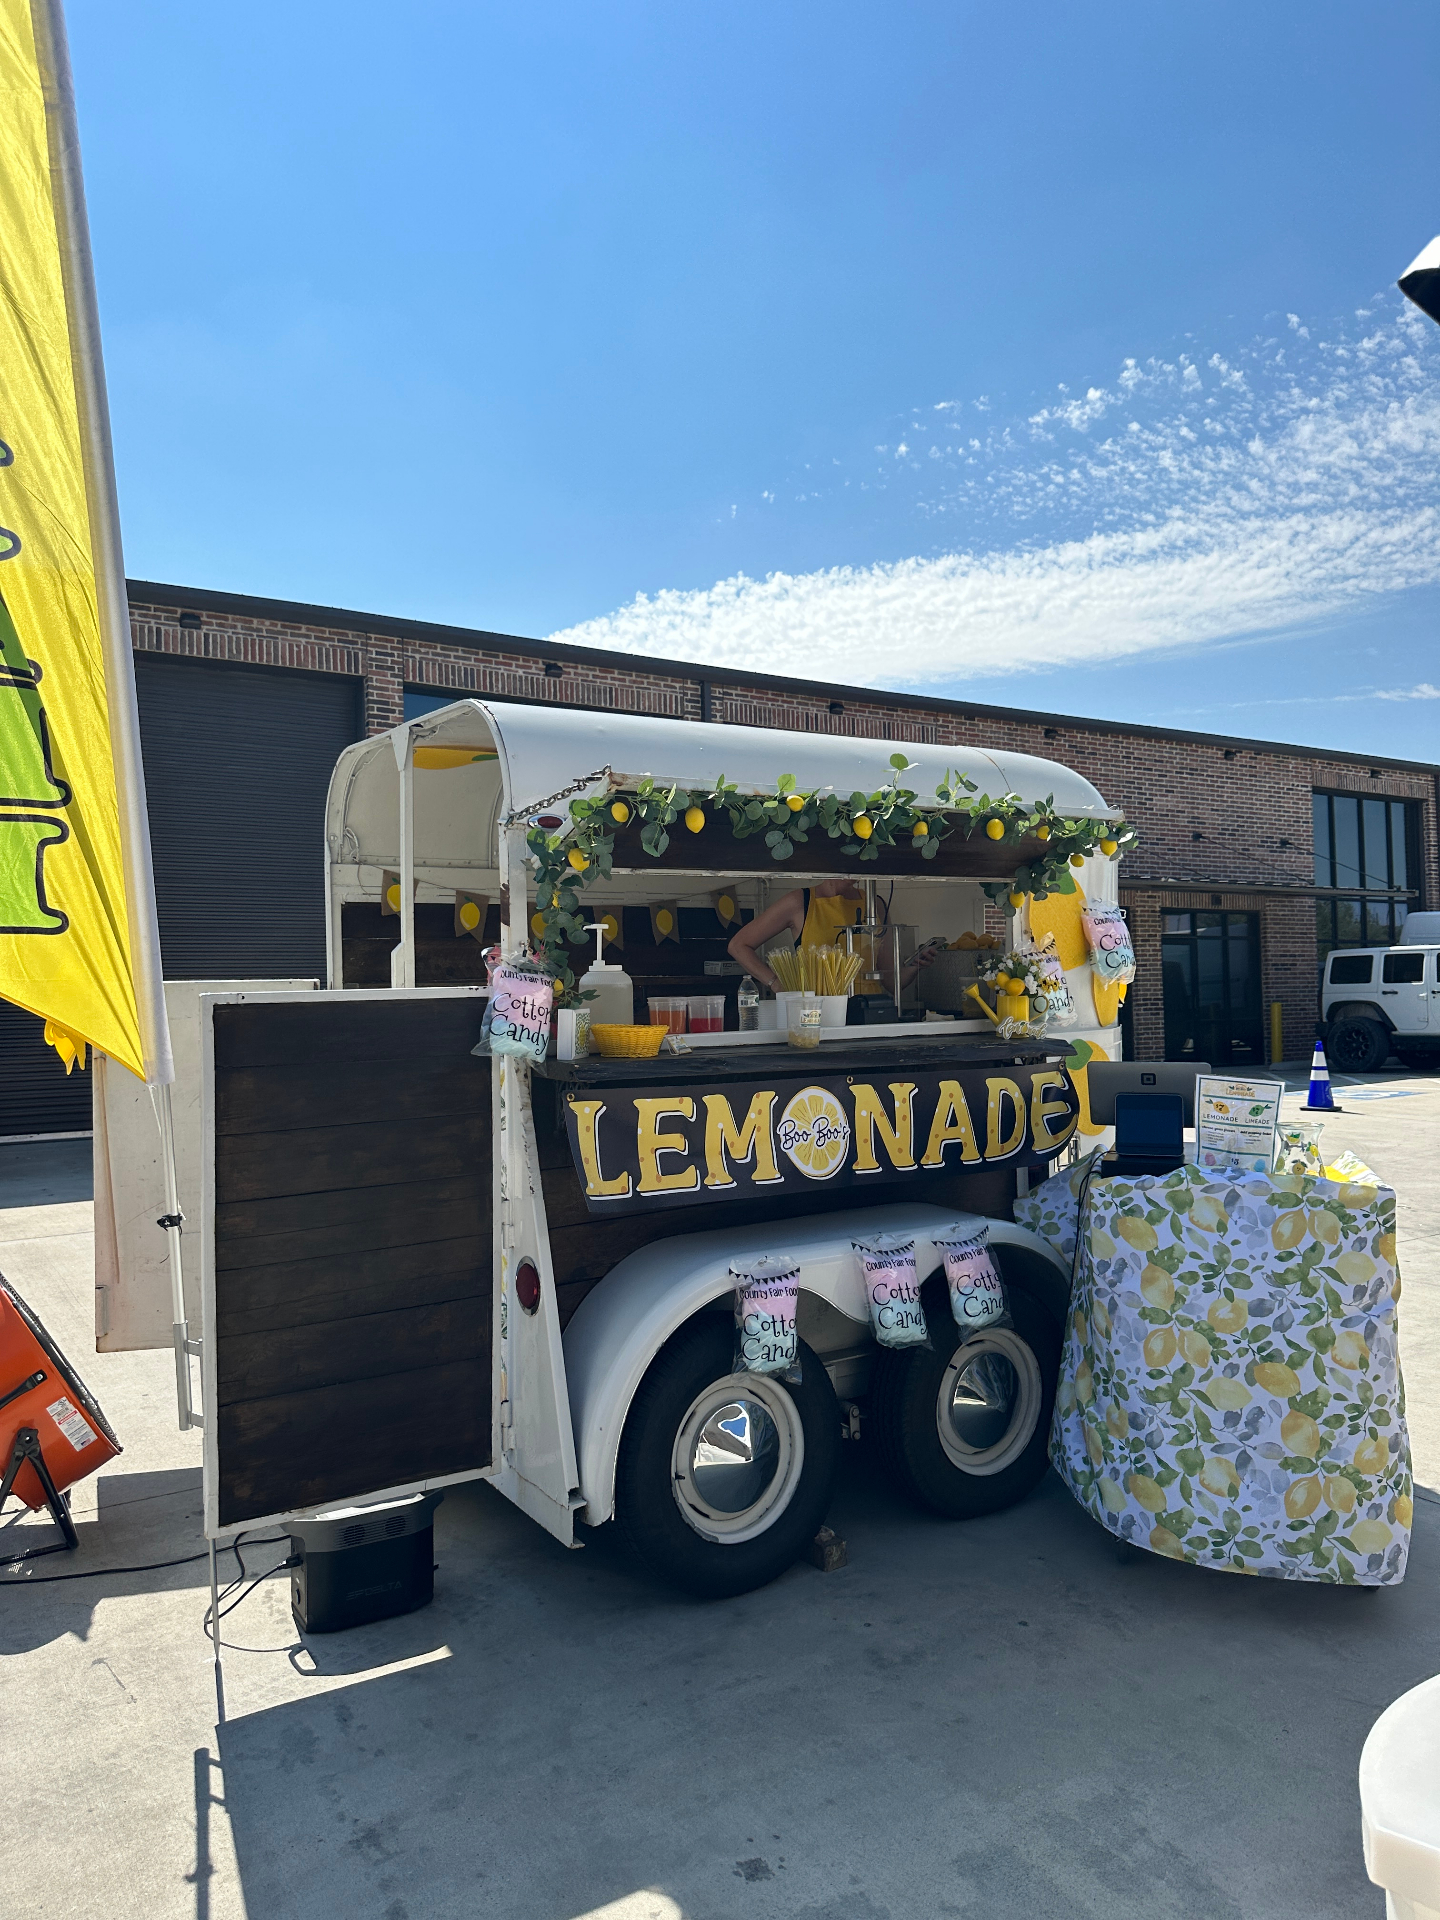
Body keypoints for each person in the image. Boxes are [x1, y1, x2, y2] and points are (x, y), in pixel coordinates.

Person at [727, 876, 937, 992]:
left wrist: (913, 967)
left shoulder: (876, 905)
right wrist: (776, 984)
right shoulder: (800, 901)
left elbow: (891, 981)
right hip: (817, 1015)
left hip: (870, 1017)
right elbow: (739, 945)